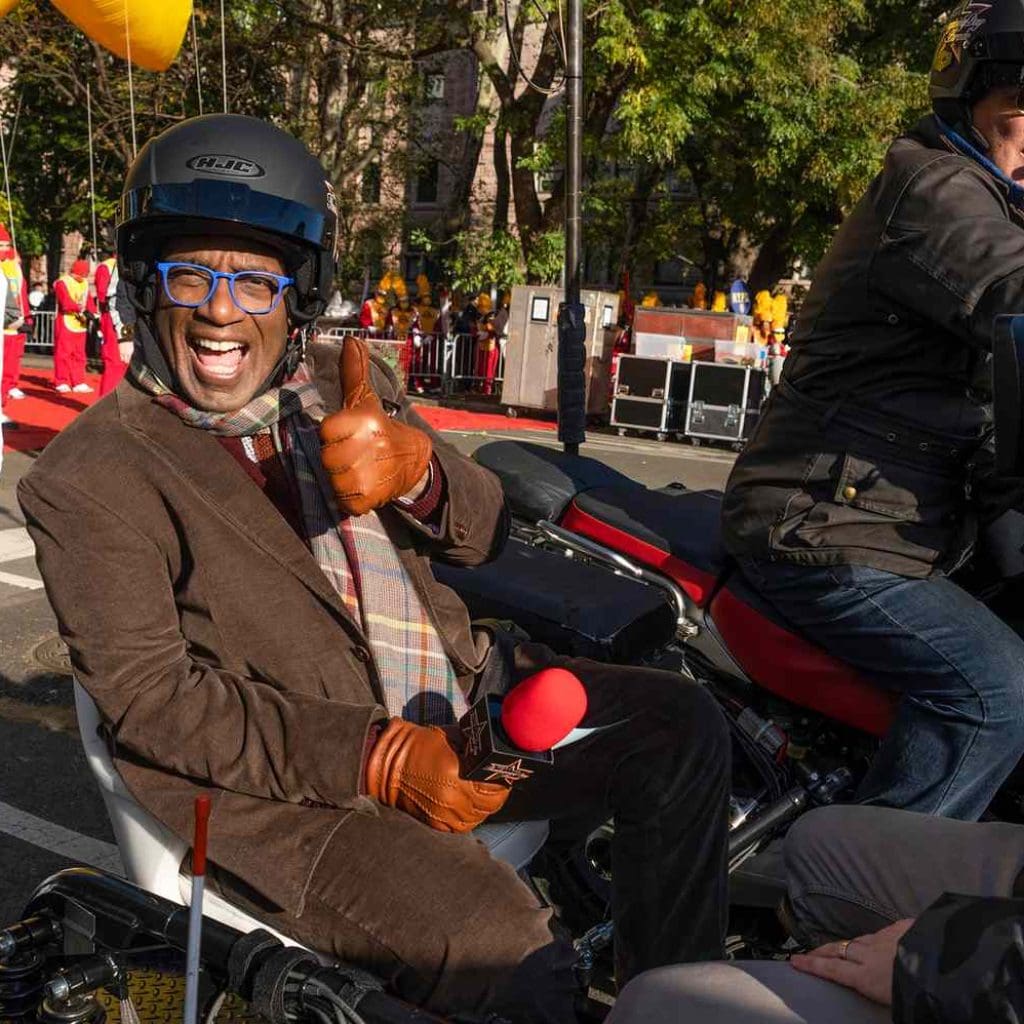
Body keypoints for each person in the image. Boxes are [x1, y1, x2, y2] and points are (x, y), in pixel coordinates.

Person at [19, 113, 731, 1023]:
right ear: (144, 290)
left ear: (299, 294)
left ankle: (670, 1000)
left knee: (682, 724)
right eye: (190, 273)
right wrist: (378, 757)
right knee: (517, 965)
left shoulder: (342, 378)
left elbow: (483, 539)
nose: (221, 309)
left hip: (460, 707)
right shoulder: (92, 474)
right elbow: (155, 702)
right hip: (294, 800)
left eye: (257, 281)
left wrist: (425, 476)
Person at [721, 0, 1024, 822]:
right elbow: (1011, 292)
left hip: (906, 520)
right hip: (825, 524)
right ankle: (856, 911)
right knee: (998, 691)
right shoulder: (935, 186)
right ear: (967, 108)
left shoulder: (999, 199)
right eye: (1020, 119)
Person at [52, 259, 96, 394]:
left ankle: (78, 381)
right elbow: (65, 302)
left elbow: (88, 300)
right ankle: (61, 380)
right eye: (81, 274)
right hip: (65, 321)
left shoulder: (84, 283)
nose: (83, 277)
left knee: (79, 354)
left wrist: (92, 312)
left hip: (80, 323)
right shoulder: (62, 282)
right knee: (63, 353)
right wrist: (80, 309)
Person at [0, 225, 32, 403]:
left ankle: (8, 389)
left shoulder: (14, 267)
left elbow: (20, 294)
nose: (5, 249)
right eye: (1, 245)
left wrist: (26, 317)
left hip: (13, 322)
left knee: (12, 359)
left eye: (7, 245)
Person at [95, 254, 130, 397]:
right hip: (114, 317)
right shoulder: (107, 266)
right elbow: (106, 295)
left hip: (130, 319)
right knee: (115, 362)